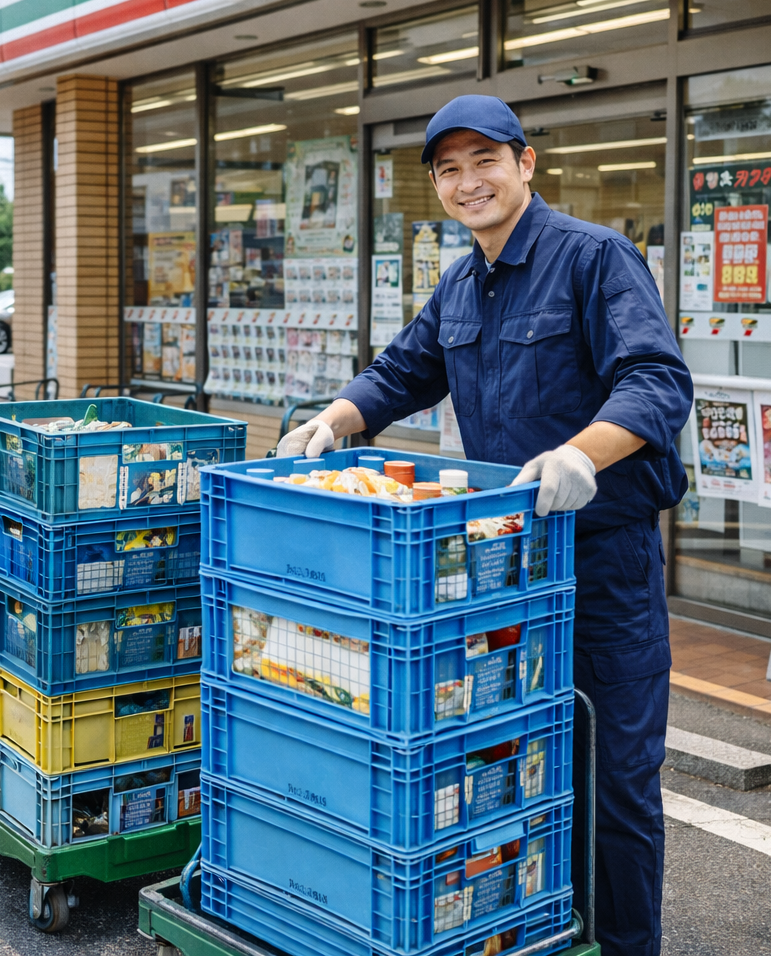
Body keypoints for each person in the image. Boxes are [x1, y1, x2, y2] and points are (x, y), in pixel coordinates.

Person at [277, 95, 692, 956]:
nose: (469, 182)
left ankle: (622, 947)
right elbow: (404, 370)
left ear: (525, 163)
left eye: (485, 161)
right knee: (513, 772)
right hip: (505, 570)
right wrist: (336, 420)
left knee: (613, 781)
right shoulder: (461, 282)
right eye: (449, 169)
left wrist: (584, 452)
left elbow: (656, 381)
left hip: (602, 562)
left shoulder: (594, 258)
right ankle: (539, 931)